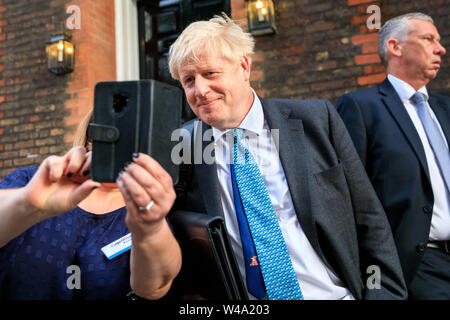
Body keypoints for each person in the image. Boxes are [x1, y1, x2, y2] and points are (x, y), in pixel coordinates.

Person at [166, 14, 407, 300]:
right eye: (189, 80)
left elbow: (367, 216)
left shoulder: (316, 120)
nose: (200, 90)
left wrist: (384, 293)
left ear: (243, 67)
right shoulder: (183, 148)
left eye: (210, 74)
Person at [0, 110, 181, 300]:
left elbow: (155, 288)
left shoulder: (147, 210)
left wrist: (150, 229)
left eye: (130, 140)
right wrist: (29, 203)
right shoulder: (33, 182)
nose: (118, 149)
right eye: (108, 136)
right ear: (88, 141)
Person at [336, 13, 449, 299]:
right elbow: (349, 195)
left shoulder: (446, 109)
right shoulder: (361, 107)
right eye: (428, 39)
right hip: (419, 264)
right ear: (395, 47)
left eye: (438, 40)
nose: (440, 48)